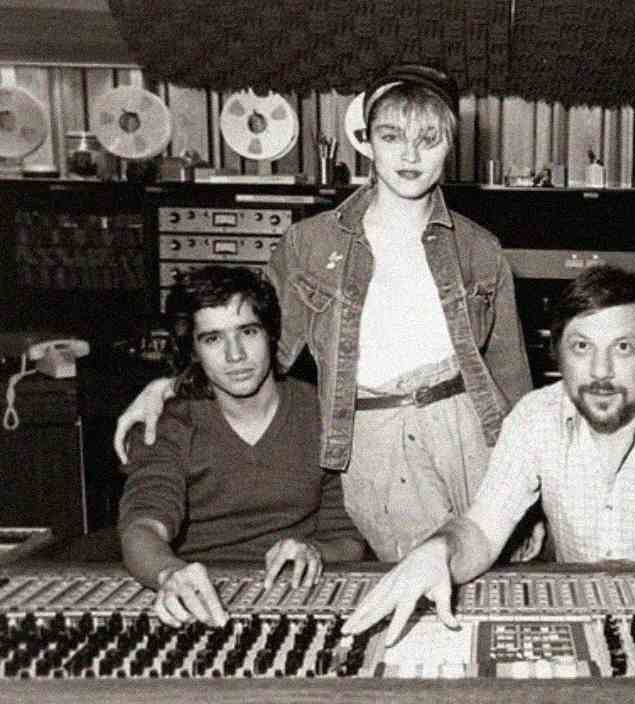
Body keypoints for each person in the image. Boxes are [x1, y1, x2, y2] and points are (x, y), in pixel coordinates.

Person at [114, 64, 537, 561]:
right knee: (410, 593)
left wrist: (527, 495)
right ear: (366, 140)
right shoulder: (309, 244)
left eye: (429, 138)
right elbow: (254, 343)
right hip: (371, 437)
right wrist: (167, 385)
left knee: (489, 586)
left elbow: (512, 379)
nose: (410, 154)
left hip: (470, 432)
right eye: (392, 135)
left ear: (450, 146)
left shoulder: (480, 249)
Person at [340, 265, 635, 676]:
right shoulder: (532, 419)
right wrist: (438, 551)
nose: (600, 371)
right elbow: (481, 528)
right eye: (581, 347)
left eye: (623, 347)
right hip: (586, 631)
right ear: (557, 353)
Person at [119, 266, 367, 628]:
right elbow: (142, 527)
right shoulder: (170, 423)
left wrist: (314, 550)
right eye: (213, 339)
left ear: (270, 335)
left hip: (301, 594)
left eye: (247, 332)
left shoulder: (323, 413)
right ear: (194, 350)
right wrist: (170, 574)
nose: (235, 356)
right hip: (195, 596)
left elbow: (347, 539)